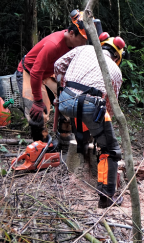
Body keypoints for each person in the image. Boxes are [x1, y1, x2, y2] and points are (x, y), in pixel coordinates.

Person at [54, 34, 127, 208]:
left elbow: (58, 65)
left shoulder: (83, 49)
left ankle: (83, 140)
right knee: (110, 150)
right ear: (117, 56)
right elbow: (110, 105)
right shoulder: (115, 71)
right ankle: (106, 196)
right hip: (89, 105)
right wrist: (103, 128)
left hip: (65, 100)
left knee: (82, 111)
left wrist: (62, 86)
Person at [15, 10, 90, 142]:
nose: (84, 43)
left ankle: (65, 137)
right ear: (72, 33)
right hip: (30, 72)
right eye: (83, 39)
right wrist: (38, 101)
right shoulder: (53, 44)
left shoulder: (74, 47)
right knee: (38, 114)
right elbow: (36, 72)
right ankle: (42, 144)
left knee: (70, 99)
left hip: (49, 73)